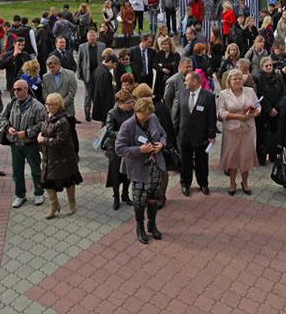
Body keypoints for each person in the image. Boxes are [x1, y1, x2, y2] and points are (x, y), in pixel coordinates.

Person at [115, 96, 168, 245]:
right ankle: (140, 227)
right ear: (136, 111)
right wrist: (139, 150)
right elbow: (119, 149)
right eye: (143, 116)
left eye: (148, 115)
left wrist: (161, 144)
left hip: (155, 167)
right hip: (139, 170)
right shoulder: (128, 126)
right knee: (139, 200)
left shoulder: (153, 118)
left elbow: (163, 134)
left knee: (154, 197)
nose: (146, 118)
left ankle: (151, 224)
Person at [3, 79, 47, 208]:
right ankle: (20, 195)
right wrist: (8, 128)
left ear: (26, 89)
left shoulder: (37, 106)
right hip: (15, 144)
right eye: (14, 89)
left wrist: (27, 133)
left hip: (30, 144)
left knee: (36, 170)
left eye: (19, 89)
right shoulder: (12, 103)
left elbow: (43, 124)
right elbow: (2, 118)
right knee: (17, 171)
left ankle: (39, 193)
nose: (16, 92)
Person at [38, 93, 82, 219]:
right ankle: (54, 204)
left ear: (58, 105)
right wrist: (41, 135)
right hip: (48, 156)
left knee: (68, 181)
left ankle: (72, 203)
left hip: (63, 157)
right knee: (46, 182)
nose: (47, 107)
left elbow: (60, 141)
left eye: (51, 104)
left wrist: (44, 139)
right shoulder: (47, 116)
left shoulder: (63, 121)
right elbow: (44, 129)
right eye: (46, 104)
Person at [217, 69, 260, 196]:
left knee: (246, 156)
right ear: (229, 81)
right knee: (233, 157)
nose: (238, 81)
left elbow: (258, 106)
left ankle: (244, 182)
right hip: (231, 131)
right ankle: (232, 183)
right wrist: (238, 117)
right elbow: (221, 112)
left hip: (248, 129)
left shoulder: (250, 91)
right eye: (235, 79)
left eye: (240, 78)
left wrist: (255, 113)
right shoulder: (224, 94)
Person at [174, 72, 216, 196]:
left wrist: (211, 135)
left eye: (186, 81)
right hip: (184, 135)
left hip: (201, 136)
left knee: (201, 162)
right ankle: (185, 184)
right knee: (185, 162)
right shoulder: (182, 94)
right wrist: (175, 131)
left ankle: (203, 183)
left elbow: (212, 118)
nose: (184, 83)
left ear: (195, 82)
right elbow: (177, 114)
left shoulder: (208, 96)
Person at [41, 56, 79, 153]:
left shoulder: (70, 75)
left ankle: (75, 153)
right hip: (52, 112)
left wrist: (60, 105)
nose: (51, 70)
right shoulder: (45, 77)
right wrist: (52, 105)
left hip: (67, 111)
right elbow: (44, 93)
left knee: (71, 133)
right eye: (49, 68)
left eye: (53, 67)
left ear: (58, 65)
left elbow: (71, 93)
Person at [253, 56, 285, 166]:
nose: (269, 67)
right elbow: (259, 95)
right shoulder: (257, 78)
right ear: (262, 66)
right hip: (264, 112)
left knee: (274, 135)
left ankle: (273, 155)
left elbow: (283, 92)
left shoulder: (278, 76)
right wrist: (269, 109)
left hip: (277, 111)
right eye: (266, 66)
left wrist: (277, 108)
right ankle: (261, 158)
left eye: (270, 65)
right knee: (262, 136)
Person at [76, 30, 106, 122]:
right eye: (90, 36)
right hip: (87, 75)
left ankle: (99, 113)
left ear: (96, 36)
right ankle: (87, 114)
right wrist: (79, 74)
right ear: (87, 37)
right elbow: (79, 61)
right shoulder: (82, 47)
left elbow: (105, 59)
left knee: (99, 94)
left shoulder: (102, 46)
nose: (92, 37)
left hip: (99, 75)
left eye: (94, 36)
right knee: (88, 95)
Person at [90, 50, 117, 125]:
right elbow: (105, 93)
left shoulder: (98, 69)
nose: (114, 67)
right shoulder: (106, 73)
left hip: (98, 102)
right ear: (110, 62)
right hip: (105, 106)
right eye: (114, 64)